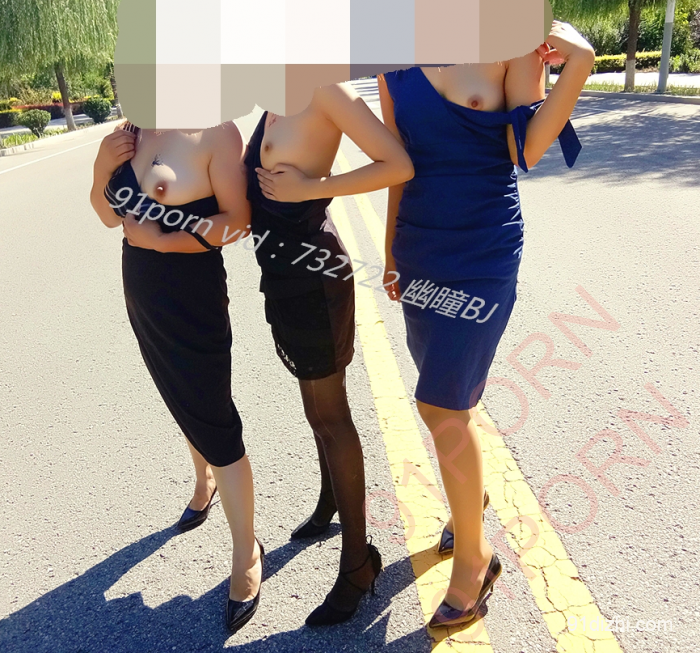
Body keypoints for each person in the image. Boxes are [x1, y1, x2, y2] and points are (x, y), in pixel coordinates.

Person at [377, 21, 594, 629]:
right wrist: (391, 251)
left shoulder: (510, 40)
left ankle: (474, 561)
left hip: (482, 249)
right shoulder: (395, 57)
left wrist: (579, 63)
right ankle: (469, 502)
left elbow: (527, 149)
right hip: (420, 246)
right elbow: (398, 164)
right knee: (450, 401)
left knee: (440, 404)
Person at [245, 82, 414, 626]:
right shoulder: (271, 98)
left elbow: (398, 163)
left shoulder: (324, 91)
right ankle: (329, 501)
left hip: (314, 277)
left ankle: (359, 564)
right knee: (314, 408)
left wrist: (313, 187)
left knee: (330, 416)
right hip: (282, 275)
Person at [89, 121, 263, 634]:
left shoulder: (215, 132)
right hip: (142, 293)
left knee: (215, 420)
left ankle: (247, 552)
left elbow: (238, 222)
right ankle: (202, 481)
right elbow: (108, 215)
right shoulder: (131, 132)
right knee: (177, 396)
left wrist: (163, 242)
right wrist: (101, 167)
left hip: (192, 295)